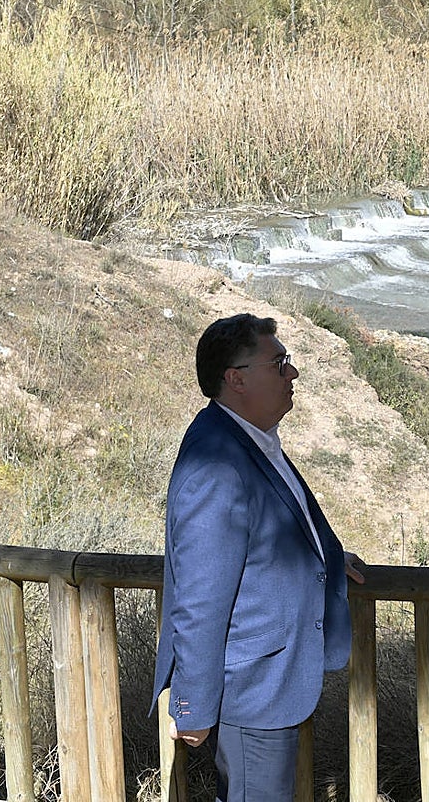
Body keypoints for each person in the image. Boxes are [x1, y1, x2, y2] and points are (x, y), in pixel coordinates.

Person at [151, 313, 364, 802]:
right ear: (237, 379)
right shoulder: (216, 463)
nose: (293, 373)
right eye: (279, 363)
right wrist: (193, 704)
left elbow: (266, 532)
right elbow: (200, 597)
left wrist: (326, 557)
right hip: (251, 691)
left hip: (267, 684)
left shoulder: (248, 437)